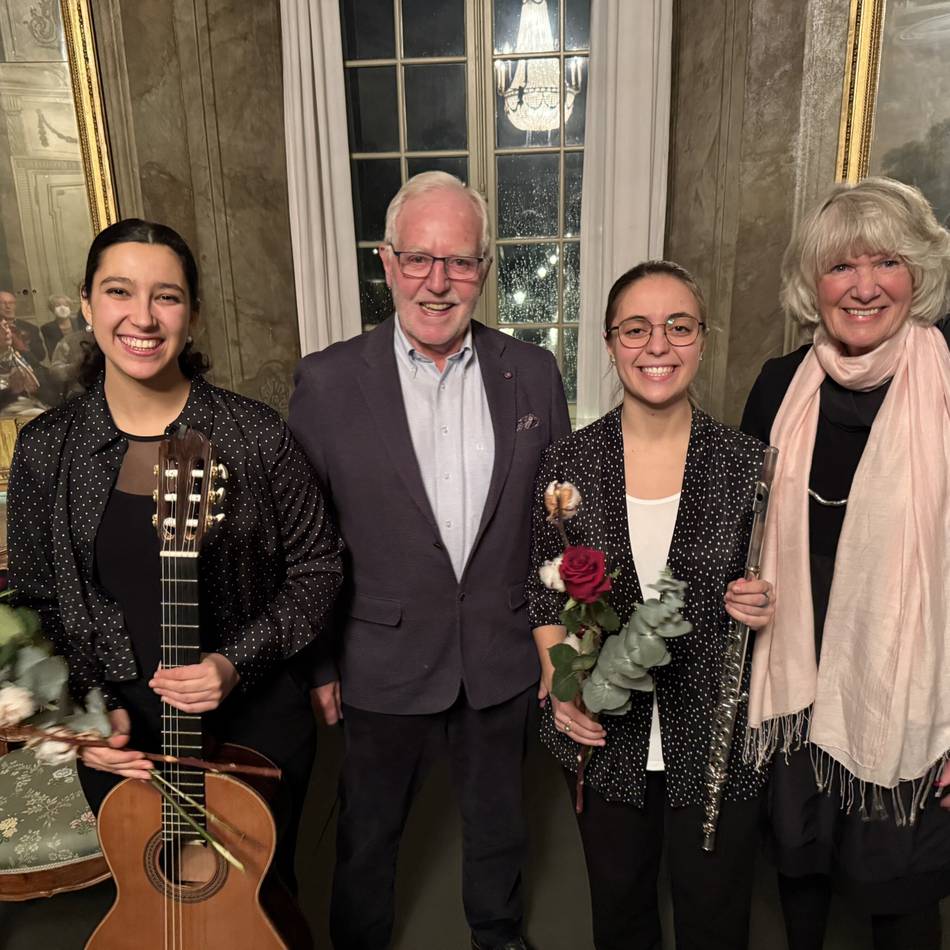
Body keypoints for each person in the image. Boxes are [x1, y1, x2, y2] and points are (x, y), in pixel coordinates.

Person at [7, 218, 343, 891]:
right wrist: (85, 714)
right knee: (154, 898)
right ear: (87, 304)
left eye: (166, 296)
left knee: (258, 900)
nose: (143, 317)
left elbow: (319, 567)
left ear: (192, 315)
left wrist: (234, 661)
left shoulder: (255, 434)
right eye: (119, 291)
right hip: (120, 731)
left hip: (253, 716)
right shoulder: (47, 449)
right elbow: (37, 602)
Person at [289, 170, 571, 950]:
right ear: (387, 263)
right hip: (379, 656)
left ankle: (498, 936)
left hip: (502, 652)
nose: (437, 282)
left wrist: (559, 641)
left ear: (485, 268)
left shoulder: (533, 373)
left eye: (459, 261)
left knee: (500, 825)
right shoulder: (327, 381)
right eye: (418, 258)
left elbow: (557, 522)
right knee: (368, 832)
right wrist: (318, 663)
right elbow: (305, 539)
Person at [527, 260, 775, 950]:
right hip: (605, 734)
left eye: (678, 327)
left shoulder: (748, 462)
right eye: (636, 329)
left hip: (719, 733)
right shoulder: (569, 462)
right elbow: (541, 588)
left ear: (702, 339)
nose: (657, 345)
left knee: (715, 916)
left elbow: (781, 582)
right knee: (620, 913)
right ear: (610, 343)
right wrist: (560, 685)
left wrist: (765, 602)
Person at [740, 177, 950, 950]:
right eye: (840, 267)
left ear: (918, 273)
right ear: (813, 282)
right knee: (803, 873)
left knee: (901, 889)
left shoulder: (947, 378)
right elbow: (742, 532)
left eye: (886, 262)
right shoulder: (778, 385)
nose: (864, 287)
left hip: (913, 681)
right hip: (798, 671)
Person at [0, 289, 47, 364]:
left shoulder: (31, 328)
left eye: (11, 303)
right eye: (3, 303)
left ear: (15, 306)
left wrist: (23, 347)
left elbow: (40, 356)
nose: (8, 306)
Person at [40, 293, 84, 361]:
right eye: (58, 305)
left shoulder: (80, 322)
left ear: (70, 308)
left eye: (66, 305)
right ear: (52, 309)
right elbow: (53, 353)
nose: (62, 308)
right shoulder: (47, 328)